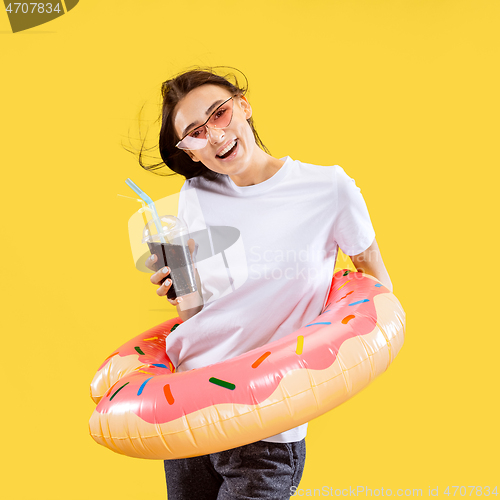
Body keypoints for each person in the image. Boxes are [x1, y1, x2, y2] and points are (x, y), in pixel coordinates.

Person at [139, 66, 393, 500]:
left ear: (244, 106)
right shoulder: (194, 195)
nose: (214, 136)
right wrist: (179, 288)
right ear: (191, 152)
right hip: (187, 409)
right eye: (195, 134)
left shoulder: (327, 187)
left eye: (218, 114)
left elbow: (376, 285)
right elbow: (198, 315)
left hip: (265, 424)